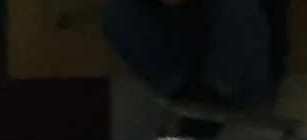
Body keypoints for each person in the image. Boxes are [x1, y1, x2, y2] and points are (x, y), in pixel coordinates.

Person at [101, 0, 280, 131]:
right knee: (119, 11)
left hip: (239, 71)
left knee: (237, 5)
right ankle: (185, 95)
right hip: (183, 68)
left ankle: (210, 99)